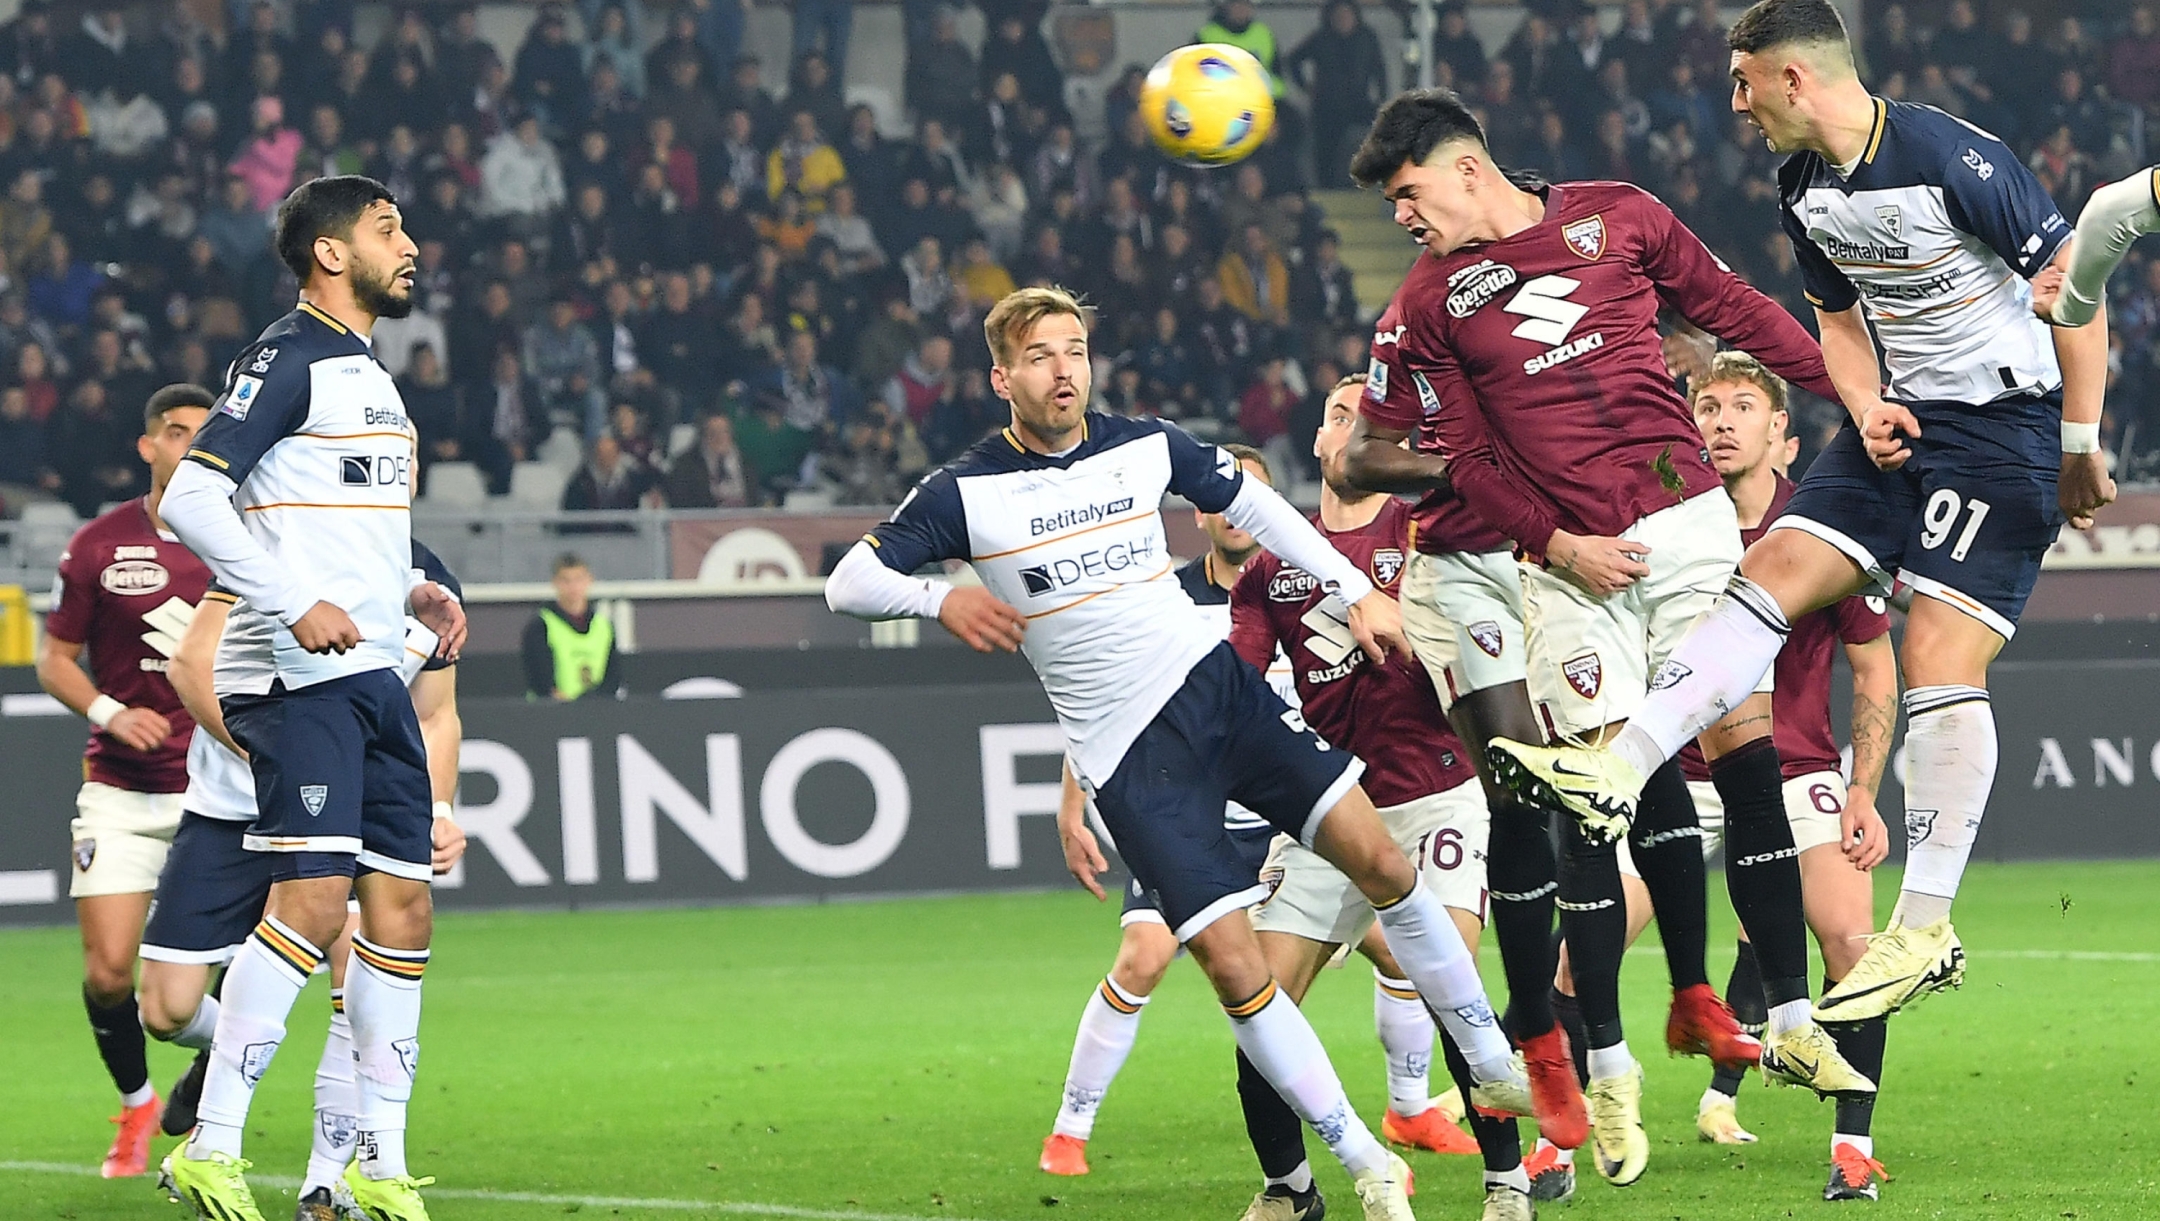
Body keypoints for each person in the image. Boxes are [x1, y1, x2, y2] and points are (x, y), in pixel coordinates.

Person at [828, 286, 1544, 1221]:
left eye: (1075, 350)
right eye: (1040, 356)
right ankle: (1356, 1157)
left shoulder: (1146, 445)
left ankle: (1489, 1060)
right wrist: (939, 599)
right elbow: (850, 580)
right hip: (1130, 760)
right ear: (1001, 377)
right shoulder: (965, 493)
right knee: (1235, 971)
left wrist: (1352, 590)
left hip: (1217, 696)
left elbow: (1266, 510)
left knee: (1380, 858)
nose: (1063, 371)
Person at [1490, 0, 2112, 1027]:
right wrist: (1864, 407)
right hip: (1901, 427)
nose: (1734, 106)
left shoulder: (1958, 158)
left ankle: (1922, 926)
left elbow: (2073, 296)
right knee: (1767, 578)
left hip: (2006, 427)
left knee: (1940, 661)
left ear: (1791, 78)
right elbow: (1835, 320)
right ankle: (1619, 766)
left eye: (1743, 84)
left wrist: (2082, 446)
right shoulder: (1802, 186)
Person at [1344, 86, 1870, 1132]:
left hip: (1686, 526)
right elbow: (1461, 461)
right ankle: (1603, 1057)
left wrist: (1850, 392)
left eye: (1408, 194)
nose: (1403, 218)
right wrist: (1557, 542)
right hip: (1567, 568)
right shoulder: (1426, 305)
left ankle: (1790, 1014)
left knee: (1743, 753)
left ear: (1463, 168)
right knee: (1594, 800)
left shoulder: (1619, 215)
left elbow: (1733, 309)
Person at [155, 176, 467, 1221]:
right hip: (295, 677)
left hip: (373, 669)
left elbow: (335, 525)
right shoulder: (287, 356)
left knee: (404, 908)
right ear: (332, 255)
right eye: (388, 228)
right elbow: (191, 496)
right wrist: (292, 602)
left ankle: (379, 1159)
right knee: (316, 904)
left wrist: (412, 588)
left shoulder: (370, 377)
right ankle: (214, 1146)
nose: (409, 243)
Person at [1043, 446, 1461, 1188]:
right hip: (1194, 819)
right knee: (1146, 957)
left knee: (1404, 953)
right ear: (1200, 514)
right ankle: (1072, 1127)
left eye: (1252, 500)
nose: (1236, 513)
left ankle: (1407, 1109)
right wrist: (1072, 798)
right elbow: (1108, 700)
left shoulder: (1308, 585)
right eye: (1223, 502)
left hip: (1288, 820)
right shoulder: (1164, 597)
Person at [1229, 377, 1543, 1221]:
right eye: (1338, 415)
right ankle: (1290, 1189)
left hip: (1436, 794)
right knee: (1257, 1001)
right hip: (1327, 809)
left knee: (1447, 983)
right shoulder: (1270, 566)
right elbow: (1240, 684)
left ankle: (1507, 1183)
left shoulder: (1430, 532)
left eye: (1370, 418)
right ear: (1321, 444)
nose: (1353, 427)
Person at [143, 540, 470, 1221]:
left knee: (362, 945)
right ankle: (222, 1089)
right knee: (167, 1009)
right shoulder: (285, 535)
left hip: (344, 802)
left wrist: (438, 807)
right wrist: (277, 754)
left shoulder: (428, 574)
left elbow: (436, 711)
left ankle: (330, 1182)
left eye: (404, 454)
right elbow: (192, 663)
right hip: (232, 803)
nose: (395, 464)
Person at [35, 383, 214, 1179]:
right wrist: (109, 710)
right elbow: (52, 657)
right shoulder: (99, 543)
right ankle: (140, 1102)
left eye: (202, 435)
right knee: (110, 975)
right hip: (119, 786)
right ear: (149, 445)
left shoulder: (245, 540)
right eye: (175, 433)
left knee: (189, 990)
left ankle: (215, 1069)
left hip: (215, 791)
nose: (189, 446)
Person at [523, 552, 621, 701]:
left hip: (597, 712)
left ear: (589, 580)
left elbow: (613, 676)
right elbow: (540, 679)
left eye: (578, 579)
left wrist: (595, 700)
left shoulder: (603, 626)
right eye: (565, 581)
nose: (573, 587)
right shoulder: (541, 625)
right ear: (555, 582)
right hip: (551, 713)